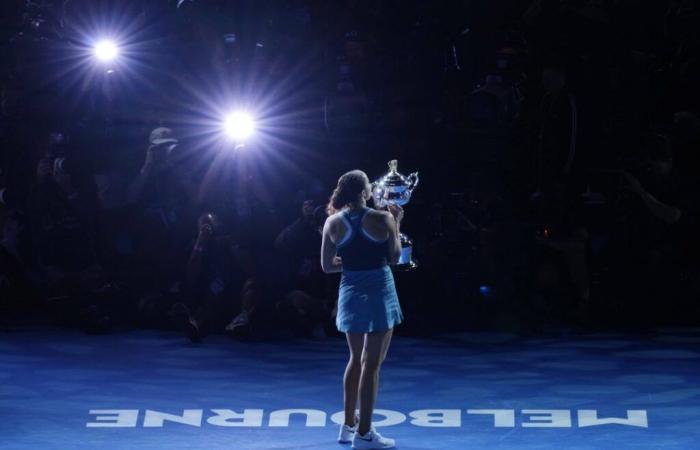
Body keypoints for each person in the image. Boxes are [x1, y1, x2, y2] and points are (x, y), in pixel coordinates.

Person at [321, 170, 403, 449]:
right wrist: (398, 223)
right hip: (380, 291)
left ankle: (348, 426)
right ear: (365, 192)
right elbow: (394, 257)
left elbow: (328, 266)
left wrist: (352, 263)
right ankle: (365, 434)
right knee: (372, 365)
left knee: (355, 359)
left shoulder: (332, 222)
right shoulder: (384, 218)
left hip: (351, 291)